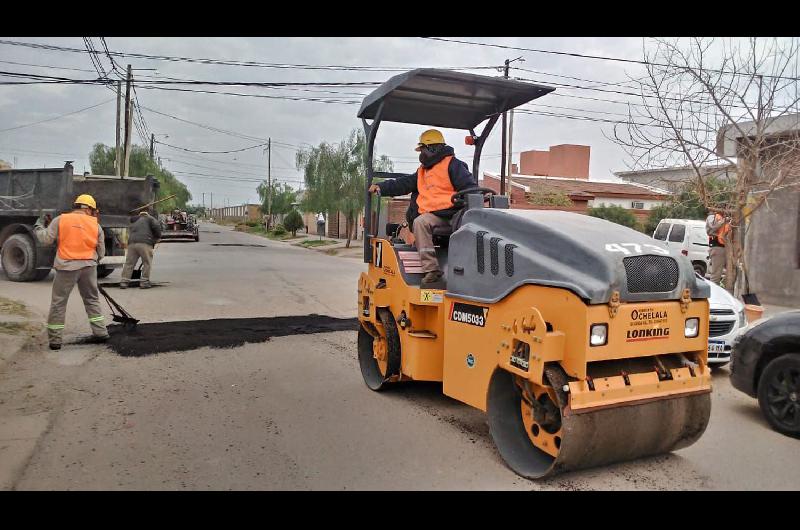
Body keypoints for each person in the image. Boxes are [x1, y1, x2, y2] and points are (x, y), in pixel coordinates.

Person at [368, 129, 475, 285]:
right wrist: (381, 187)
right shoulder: (422, 172)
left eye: (423, 149)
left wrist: (465, 203)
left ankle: (433, 269)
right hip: (435, 217)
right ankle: (433, 269)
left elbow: (470, 188)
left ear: (433, 148)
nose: (421, 154)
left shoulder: (453, 165)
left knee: (421, 222)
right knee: (420, 221)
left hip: (453, 215)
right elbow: (403, 183)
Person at [34, 194, 109, 351]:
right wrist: (93, 261)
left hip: (66, 266)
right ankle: (101, 332)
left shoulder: (60, 220)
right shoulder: (96, 225)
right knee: (92, 300)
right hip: (88, 266)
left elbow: (46, 239)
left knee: (59, 302)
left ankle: (55, 341)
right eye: (93, 210)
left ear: (77, 206)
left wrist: (39, 226)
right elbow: (101, 251)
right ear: (88, 209)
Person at [120, 210, 162, 289]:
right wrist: (158, 237)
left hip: (132, 243)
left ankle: (124, 282)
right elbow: (157, 226)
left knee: (129, 263)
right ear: (147, 213)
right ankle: (144, 282)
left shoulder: (134, 220)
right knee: (147, 262)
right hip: (144, 243)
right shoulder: (150, 218)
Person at [705, 208, 731, 286]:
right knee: (716, 276)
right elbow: (713, 226)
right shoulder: (712, 217)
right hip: (717, 247)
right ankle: (713, 296)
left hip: (726, 247)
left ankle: (723, 290)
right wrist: (724, 220)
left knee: (732, 272)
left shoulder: (728, 219)